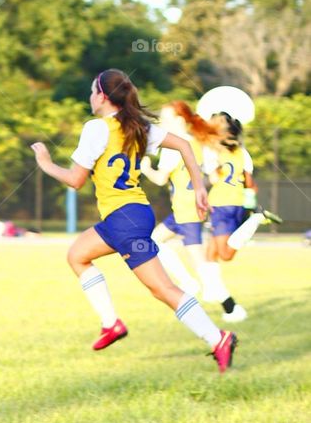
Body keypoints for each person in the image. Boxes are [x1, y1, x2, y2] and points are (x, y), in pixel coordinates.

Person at [30, 69, 237, 372]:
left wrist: (45, 163)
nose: (90, 97)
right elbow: (183, 144)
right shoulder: (136, 126)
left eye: (92, 91)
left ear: (101, 96)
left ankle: (217, 338)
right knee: (77, 255)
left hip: (124, 219)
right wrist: (200, 186)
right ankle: (111, 323)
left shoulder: (96, 128)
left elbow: (75, 180)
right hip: (130, 215)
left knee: (163, 290)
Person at [200, 113, 281, 320]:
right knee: (209, 255)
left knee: (225, 255)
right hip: (235, 203)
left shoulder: (212, 151)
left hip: (221, 204)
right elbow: (250, 183)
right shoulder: (242, 152)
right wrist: (248, 205)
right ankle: (221, 300)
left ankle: (256, 220)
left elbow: (211, 176)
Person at [140, 101, 219, 299]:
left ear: (179, 120)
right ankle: (192, 285)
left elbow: (160, 179)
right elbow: (212, 175)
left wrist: (146, 168)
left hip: (185, 205)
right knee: (156, 241)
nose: (162, 123)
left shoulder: (173, 145)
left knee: (195, 254)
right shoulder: (198, 142)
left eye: (166, 119)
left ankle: (217, 295)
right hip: (190, 204)